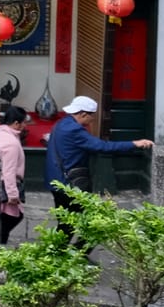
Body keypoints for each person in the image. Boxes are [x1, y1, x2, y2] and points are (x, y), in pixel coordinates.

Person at [45, 95, 152, 234]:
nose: (92, 120)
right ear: (83, 114)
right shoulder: (75, 130)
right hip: (69, 183)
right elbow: (103, 146)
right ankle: (75, 252)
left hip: (56, 180)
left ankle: (61, 252)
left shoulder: (62, 124)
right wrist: (134, 144)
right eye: (92, 117)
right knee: (90, 221)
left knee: (67, 222)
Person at [0, 104, 30, 245]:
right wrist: (13, 195)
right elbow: (9, 171)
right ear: (16, 123)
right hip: (5, 185)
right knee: (13, 217)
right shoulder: (11, 144)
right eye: (23, 122)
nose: (25, 125)